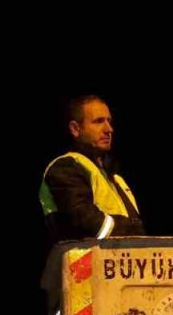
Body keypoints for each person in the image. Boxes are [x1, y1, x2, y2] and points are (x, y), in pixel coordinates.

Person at [40, 95, 145, 243]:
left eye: (109, 121)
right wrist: (132, 229)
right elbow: (87, 223)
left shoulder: (115, 178)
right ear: (75, 129)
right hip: (79, 264)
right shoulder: (64, 168)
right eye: (98, 121)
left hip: (114, 263)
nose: (109, 129)